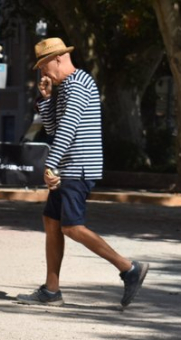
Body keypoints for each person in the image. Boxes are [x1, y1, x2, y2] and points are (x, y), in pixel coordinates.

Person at [16, 37, 148, 308]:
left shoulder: (78, 84)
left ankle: (129, 268)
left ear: (57, 59)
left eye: (43, 66)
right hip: (68, 167)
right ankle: (51, 291)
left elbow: (68, 130)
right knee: (52, 223)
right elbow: (53, 128)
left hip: (78, 167)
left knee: (71, 227)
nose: (42, 72)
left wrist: (50, 163)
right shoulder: (64, 87)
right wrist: (47, 99)